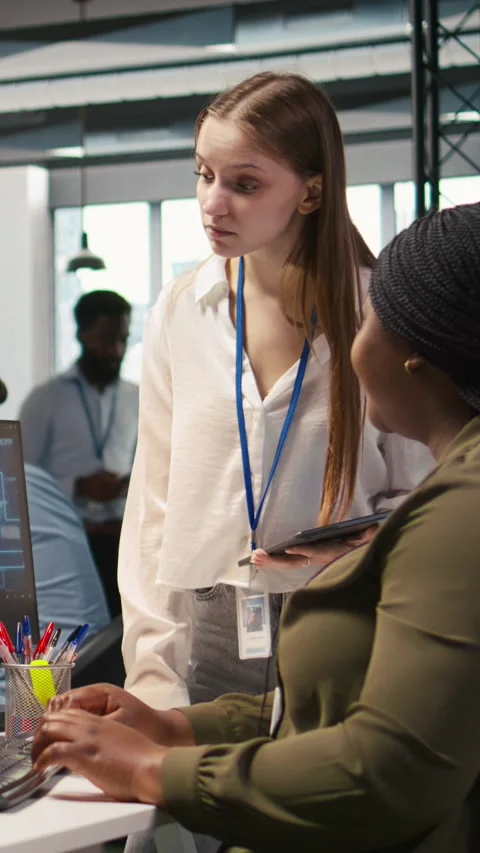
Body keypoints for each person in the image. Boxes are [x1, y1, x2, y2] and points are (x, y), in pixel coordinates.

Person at [33, 201, 480, 853]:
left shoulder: (458, 512)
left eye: (368, 320)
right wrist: (173, 727)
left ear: (414, 355)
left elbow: (389, 769)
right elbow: (333, 708)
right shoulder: (451, 494)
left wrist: (152, 769)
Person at [118, 71, 431, 718]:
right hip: (210, 629)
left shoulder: (380, 313)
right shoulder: (182, 310)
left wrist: (363, 544)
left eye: (245, 184)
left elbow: (429, 498)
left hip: (344, 620)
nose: (213, 203)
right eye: (204, 174)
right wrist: (152, 679)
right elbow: (152, 512)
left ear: (311, 191)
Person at [20, 290, 139, 617]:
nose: (116, 350)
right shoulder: (46, 399)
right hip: (68, 544)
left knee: (123, 634)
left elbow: (150, 465)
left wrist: (128, 483)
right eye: (106, 339)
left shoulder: (137, 397)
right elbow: (19, 479)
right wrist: (79, 485)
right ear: (82, 334)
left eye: (123, 339)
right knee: (79, 635)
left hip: (124, 543)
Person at [0, 462, 110, 707]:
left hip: (27, 705)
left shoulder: (16, 486)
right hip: (65, 688)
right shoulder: (26, 479)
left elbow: (59, 669)